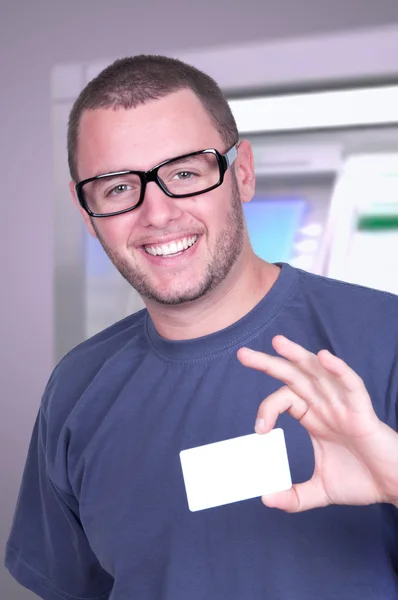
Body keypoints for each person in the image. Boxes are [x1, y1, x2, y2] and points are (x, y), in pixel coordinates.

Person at [5, 55, 398, 600]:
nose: (157, 214)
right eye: (118, 188)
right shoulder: (75, 390)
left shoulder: (387, 340)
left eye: (185, 173)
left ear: (242, 173)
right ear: (86, 210)